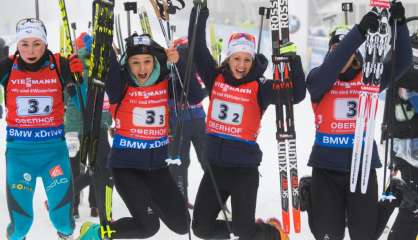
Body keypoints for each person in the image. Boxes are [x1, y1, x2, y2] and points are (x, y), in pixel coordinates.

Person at [188, 2, 306, 240]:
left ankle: (272, 233)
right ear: (228, 59)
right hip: (215, 169)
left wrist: (293, 61)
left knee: (244, 232)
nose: (241, 65)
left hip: (244, 171)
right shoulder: (215, 78)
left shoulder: (260, 87)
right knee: (200, 228)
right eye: (236, 59)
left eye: (247, 60)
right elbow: (196, 47)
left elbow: (296, 95)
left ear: (253, 61)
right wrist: (199, 12)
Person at [304, 3, 412, 239]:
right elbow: (330, 66)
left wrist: (399, 26)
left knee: (364, 235)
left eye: (347, 52)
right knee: (327, 234)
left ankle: (390, 195)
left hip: (362, 166)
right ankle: (310, 192)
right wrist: (359, 33)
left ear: (356, 55)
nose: (341, 56)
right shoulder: (318, 80)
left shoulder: (369, 80)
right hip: (326, 168)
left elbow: (403, 62)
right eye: (336, 50)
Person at [77, 33, 190, 239]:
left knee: (182, 224)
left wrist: (178, 62)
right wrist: (102, 39)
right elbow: (109, 62)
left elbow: (194, 95)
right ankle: (98, 233)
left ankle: (148, 203)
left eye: (147, 61)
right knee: (148, 227)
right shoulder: (120, 85)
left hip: (158, 169)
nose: (142, 68)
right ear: (127, 64)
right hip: (127, 168)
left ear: (155, 61)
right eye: (135, 62)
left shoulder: (166, 82)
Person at [0, 18, 84, 240]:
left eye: (36, 43)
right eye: (24, 43)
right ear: (17, 44)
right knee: (20, 228)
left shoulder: (60, 65)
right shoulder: (7, 67)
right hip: (20, 156)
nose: (30, 50)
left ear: (45, 43)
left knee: (64, 223)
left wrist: (79, 77)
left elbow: (86, 97)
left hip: (53, 154)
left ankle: (64, 235)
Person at [64, 32, 113, 219]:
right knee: (98, 165)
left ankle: (73, 206)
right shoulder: (102, 65)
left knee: (75, 165)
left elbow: (65, 95)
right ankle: (95, 205)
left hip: (75, 126)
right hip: (93, 124)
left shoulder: (75, 63)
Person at [375, 32, 418, 240]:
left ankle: (398, 191)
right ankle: (398, 192)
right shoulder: (404, 55)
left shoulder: (401, 54)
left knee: (412, 202)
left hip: (400, 142)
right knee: (413, 204)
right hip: (406, 146)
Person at [168, 36, 208, 209]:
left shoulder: (196, 68)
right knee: (180, 162)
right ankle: (179, 198)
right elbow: (168, 94)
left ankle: (215, 196)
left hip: (197, 120)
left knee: (205, 160)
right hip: (180, 122)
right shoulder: (170, 71)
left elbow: (203, 90)